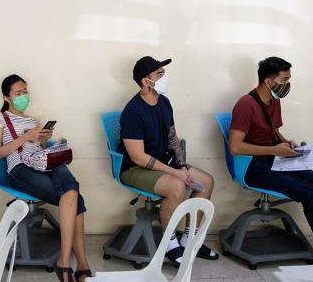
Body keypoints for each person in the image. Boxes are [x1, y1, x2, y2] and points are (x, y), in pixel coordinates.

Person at [0, 74, 91, 282]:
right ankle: (80, 265)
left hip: (42, 163)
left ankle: (66, 264)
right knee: (76, 199)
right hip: (19, 170)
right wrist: (25, 137)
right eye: (18, 93)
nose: (23, 96)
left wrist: (43, 140)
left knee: (71, 190)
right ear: (6, 97)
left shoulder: (32, 121)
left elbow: (38, 151)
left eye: (25, 91)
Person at [117, 56, 217, 267]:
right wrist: (176, 174)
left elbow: (172, 136)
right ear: (146, 82)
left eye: (164, 73)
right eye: (159, 74)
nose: (164, 77)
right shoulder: (133, 112)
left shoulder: (164, 102)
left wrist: (181, 165)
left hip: (164, 162)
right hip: (134, 168)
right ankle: (169, 243)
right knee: (176, 186)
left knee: (206, 181)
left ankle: (189, 239)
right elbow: (138, 157)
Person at [229, 57, 313, 230]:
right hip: (253, 167)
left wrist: (285, 143)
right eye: (284, 80)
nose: (287, 84)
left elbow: (272, 131)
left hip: (274, 160)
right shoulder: (246, 105)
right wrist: (274, 150)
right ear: (268, 82)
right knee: (309, 193)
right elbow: (235, 147)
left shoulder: (274, 101)